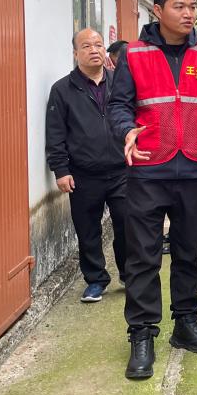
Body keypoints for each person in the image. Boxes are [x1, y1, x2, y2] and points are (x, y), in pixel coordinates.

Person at [109, 0, 197, 380]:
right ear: (158, 10)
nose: (188, 14)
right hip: (148, 169)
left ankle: (186, 321)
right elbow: (118, 106)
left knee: (190, 252)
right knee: (143, 256)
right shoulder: (134, 55)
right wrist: (126, 130)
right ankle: (142, 333)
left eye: (192, 7)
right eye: (179, 6)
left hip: (195, 168)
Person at [46, 28, 128, 303]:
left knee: (128, 224)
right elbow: (55, 133)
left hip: (122, 169)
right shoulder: (62, 90)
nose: (94, 50)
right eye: (86, 46)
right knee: (88, 229)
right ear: (75, 53)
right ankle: (96, 279)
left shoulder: (121, 83)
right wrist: (61, 170)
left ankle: (128, 273)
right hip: (84, 173)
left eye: (98, 45)